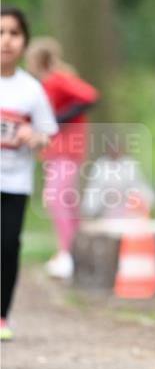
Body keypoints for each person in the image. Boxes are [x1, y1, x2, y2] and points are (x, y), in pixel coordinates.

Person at [1, 8, 58, 340]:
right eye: (0, 32)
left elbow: (46, 135)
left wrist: (32, 137)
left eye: (14, 33)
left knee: (7, 246)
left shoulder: (31, 90)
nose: (6, 40)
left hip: (14, 182)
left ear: (24, 41)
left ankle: (2, 316)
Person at [26, 37, 99, 279]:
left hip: (66, 150)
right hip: (56, 151)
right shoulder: (47, 83)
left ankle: (68, 253)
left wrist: (56, 121)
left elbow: (89, 96)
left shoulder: (58, 79)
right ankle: (70, 252)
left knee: (59, 201)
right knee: (63, 202)